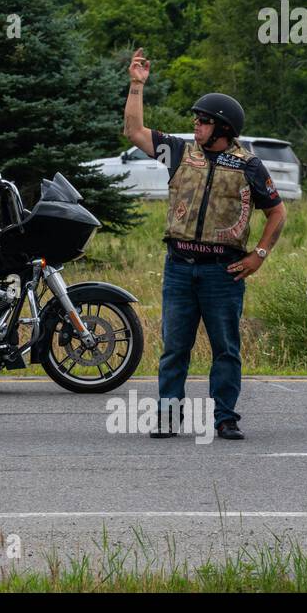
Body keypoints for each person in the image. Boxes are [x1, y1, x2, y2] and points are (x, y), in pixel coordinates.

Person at [123, 48, 287, 440]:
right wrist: (136, 85)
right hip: (179, 267)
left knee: (225, 349)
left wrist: (259, 255)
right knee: (174, 348)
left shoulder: (248, 165)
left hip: (223, 272)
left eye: (202, 122)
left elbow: (277, 212)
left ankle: (225, 418)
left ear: (223, 128)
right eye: (196, 121)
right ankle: (167, 417)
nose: (195, 126)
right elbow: (134, 132)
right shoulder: (179, 152)